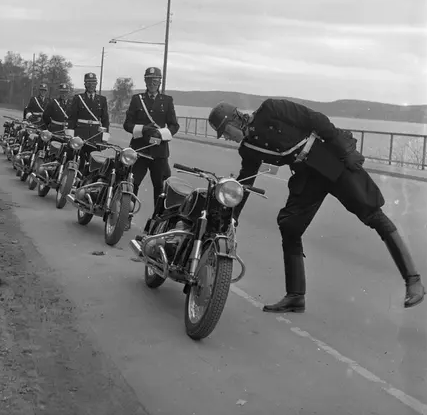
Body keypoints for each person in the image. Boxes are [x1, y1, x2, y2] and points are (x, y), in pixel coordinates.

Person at [208, 98, 425, 312]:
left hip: (331, 161)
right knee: (289, 226)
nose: (226, 137)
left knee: (373, 214)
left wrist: (346, 152)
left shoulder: (271, 109)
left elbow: (316, 119)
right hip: (306, 176)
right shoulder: (247, 149)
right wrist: (232, 217)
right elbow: (246, 181)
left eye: (225, 131)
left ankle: (413, 281)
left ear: (234, 120)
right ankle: (295, 296)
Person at [123, 67, 180, 229]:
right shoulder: (137, 99)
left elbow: (174, 125)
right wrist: (142, 129)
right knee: (132, 184)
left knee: (160, 189)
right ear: (145, 81)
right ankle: (126, 216)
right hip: (140, 149)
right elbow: (127, 124)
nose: (153, 83)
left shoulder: (167, 100)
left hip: (159, 152)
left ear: (160, 82)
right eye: (150, 80)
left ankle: (156, 223)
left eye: (156, 80)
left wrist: (162, 133)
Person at [66, 72, 109, 147]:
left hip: (95, 135)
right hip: (80, 134)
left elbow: (105, 120)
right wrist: (70, 136)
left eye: (93, 82)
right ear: (85, 84)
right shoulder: (78, 98)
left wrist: (105, 138)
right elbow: (72, 118)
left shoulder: (102, 100)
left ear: (96, 84)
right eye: (88, 82)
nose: (91, 85)